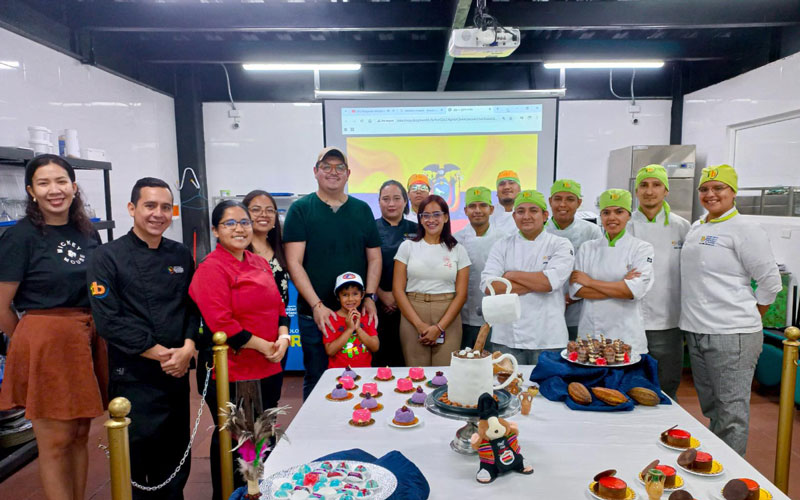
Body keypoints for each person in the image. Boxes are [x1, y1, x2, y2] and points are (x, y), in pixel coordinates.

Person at [0, 154, 107, 500]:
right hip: (47, 338)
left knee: (79, 434)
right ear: (31, 191)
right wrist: (29, 343)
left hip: (86, 336)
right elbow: (1, 304)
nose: (54, 190)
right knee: (55, 442)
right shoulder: (21, 237)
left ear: (74, 187)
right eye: (44, 183)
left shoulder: (87, 231)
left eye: (61, 181)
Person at [87, 177, 199, 500]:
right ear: (132, 208)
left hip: (176, 377)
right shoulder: (107, 257)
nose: (158, 214)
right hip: (133, 379)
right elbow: (109, 320)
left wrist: (189, 347)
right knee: (136, 469)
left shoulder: (179, 254)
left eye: (166, 207)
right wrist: (163, 354)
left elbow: (193, 307)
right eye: (150, 205)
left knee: (176, 463)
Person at [190, 200, 290, 500]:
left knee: (262, 435)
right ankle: (232, 494)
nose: (239, 228)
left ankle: (256, 491)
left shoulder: (258, 261)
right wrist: (264, 345)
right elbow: (222, 323)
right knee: (238, 441)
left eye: (244, 222)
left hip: (269, 365)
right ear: (216, 230)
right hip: (233, 371)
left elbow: (279, 306)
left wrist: (283, 338)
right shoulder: (211, 268)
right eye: (230, 223)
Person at [680, 164, 781, 456]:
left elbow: (770, 283)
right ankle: (716, 463)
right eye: (704, 189)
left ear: (733, 192)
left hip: (732, 334)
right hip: (697, 330)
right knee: (713, 408)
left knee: (731, 414)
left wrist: (751, 317)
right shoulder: (699, 227)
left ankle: (730, 481)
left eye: (718, 188)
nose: (710, 194)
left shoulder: (746, 229)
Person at [283, 147, 382, 399]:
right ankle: (316, 438)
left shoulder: (362, 210)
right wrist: (316, 305)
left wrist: (369, 296)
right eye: (326, 166)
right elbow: (294, 262)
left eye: (339, 167)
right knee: (318, 379)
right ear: (315, 172)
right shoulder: (301, 209)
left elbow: (374, 257)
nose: (333, 172)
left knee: (361, 379)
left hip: (356, 312)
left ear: (348, 174)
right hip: (316, 316)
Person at [481, 190, 574, 364]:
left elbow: (549, 283)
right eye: (521, 211)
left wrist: (510, 275)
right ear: (514, 216)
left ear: (545, 215)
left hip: (549, 338)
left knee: (547, 389)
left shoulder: (560, 244)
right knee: (506, 387)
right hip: (507, 337)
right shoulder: (502, 245)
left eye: (533, 210)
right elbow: (489, 286)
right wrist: (538, 282)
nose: (526, 216)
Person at [628, 165, 691, 400]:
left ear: (666, 191)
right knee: (630, 384)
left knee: (666, 386)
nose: (649, 191)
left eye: (656, 185)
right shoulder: (625, 225)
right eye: (644, 185)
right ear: (636, 191)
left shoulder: (682, 227)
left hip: (667, 320)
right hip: (628, 318)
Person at [569, 189, 654, 354]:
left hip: (626, 334)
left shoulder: (642, 248)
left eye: (619, 212)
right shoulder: (588, 248)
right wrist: (620, 285)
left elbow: (632, 292)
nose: (612, 217)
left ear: (628, 215)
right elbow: (577, 290)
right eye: (606, 212)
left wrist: (590, 282)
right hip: (591, 333)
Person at [393, 194, 470, 366]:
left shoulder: (458, 250)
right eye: (425, 215)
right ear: (420, 219)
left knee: (445, 376)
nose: (431, 220)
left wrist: (439, 327)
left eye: (436, 214)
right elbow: (398, 290)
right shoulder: (407, 247)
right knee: (416, 375)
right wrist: (419, 324)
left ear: (446, 217)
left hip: (447, 315)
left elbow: (462, 294)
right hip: (413, 313)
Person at [545, 179, 603, 341]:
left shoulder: (591, 231)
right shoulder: (539, 230)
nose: (563, 204)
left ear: (579, 203)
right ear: (550, 201)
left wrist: (570, 297)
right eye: (558, 199)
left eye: (570, 199)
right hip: (544, 310)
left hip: (579, 311)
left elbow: (597, 271)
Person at [454, 186, 505, 350]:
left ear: (491, 209)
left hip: (496, 317)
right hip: (462, 315)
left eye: (482, 206)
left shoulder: (504, 239)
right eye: (472, 206)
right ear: (465, 210)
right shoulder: (455, 240)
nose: (477, 210)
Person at [374, 180, 417, 367]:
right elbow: (363, 264)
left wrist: (400, 297)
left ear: (405, 201)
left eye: (396, 198)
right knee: (379, 357)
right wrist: (382, 294)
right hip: (376, 303)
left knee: (406, 357)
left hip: (410, 304)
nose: (391, 204)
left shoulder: (417, 230)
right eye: (386, 199)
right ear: (379, 202)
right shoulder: (370, 229)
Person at [243, 190, 289, 307]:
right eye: (256, 210)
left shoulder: (282, 249)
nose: (264, 214)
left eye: (269, 210)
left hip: (280, 322)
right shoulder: (237, 251)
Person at [324, 272, 380, 368]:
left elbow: (375, 347)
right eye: (345, 295)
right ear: (338, 297)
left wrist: (358, 329)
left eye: (355, 294)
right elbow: (330, 351)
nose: (350, 299)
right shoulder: (331, 318)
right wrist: (349, 329)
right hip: (338, 373)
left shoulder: (367, 317)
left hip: (364, 372)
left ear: (362, 295)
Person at [488, 170, 521, 235]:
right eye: (502, 184)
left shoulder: (527, 214)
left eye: (511, 183)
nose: (506, 187)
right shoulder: (487, 214)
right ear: (496, 192)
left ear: (519, 190)